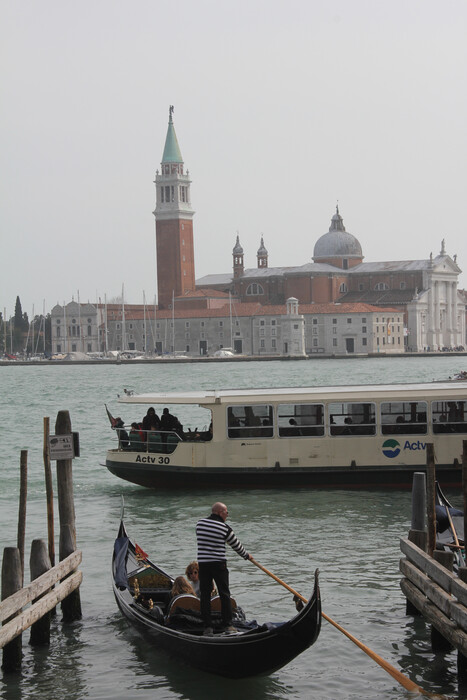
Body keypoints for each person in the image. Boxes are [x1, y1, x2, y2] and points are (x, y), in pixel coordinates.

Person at [196, 502, 252, 635]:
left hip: (203, 564)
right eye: (226, 512)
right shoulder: (225, 528)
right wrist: (247, 556)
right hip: (219, 564)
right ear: (220, 513)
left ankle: (207, 626)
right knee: (224, 594)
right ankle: (227, 625)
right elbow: (236, 546)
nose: (227, 515)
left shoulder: (199, 524)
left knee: (205, 595)